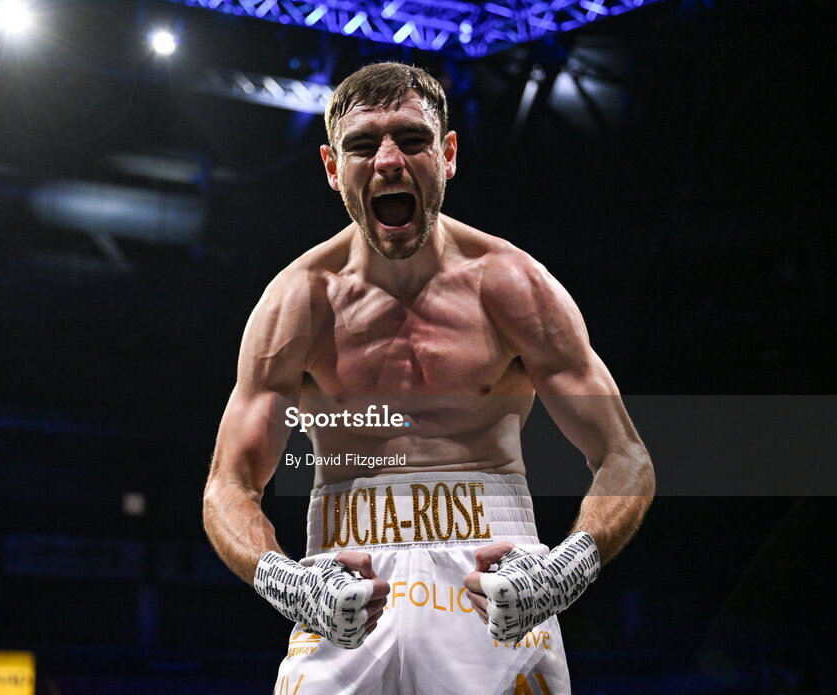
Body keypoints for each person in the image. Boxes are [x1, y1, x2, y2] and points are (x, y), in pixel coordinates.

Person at [203, 62, 654, 694]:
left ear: (446, 155)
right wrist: (288, 582)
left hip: (492, 575)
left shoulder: (512, 285)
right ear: (334, 169)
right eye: (363, 144)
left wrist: (566, 571)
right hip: (345, 578)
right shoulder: (298, 302)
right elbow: (227, 485)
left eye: (412, 139)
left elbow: (626, 455)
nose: (389, 160)